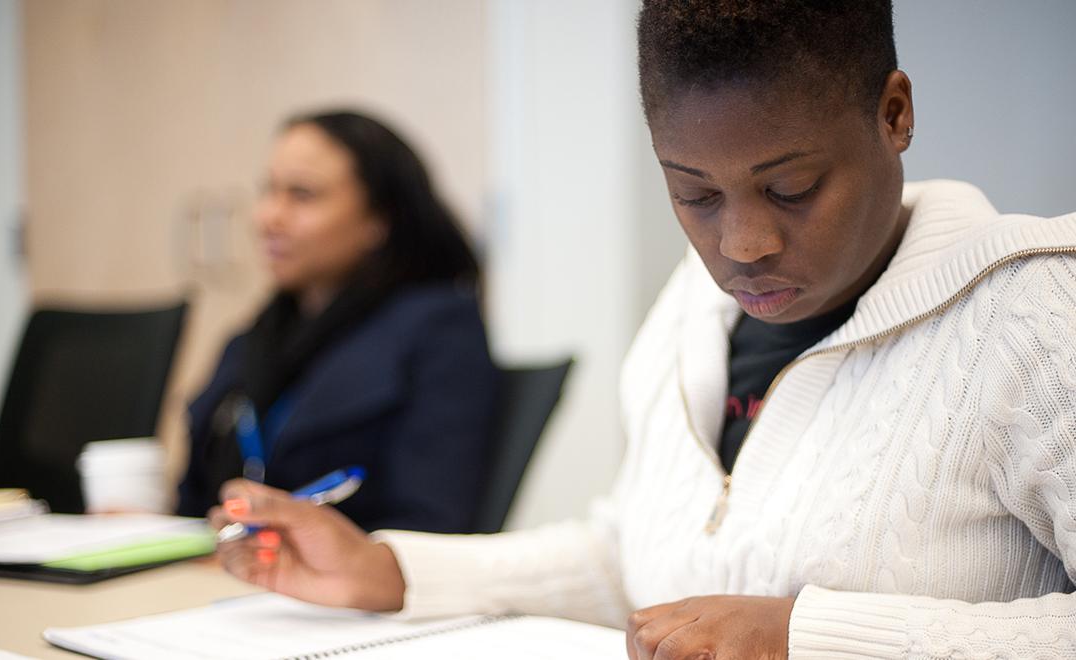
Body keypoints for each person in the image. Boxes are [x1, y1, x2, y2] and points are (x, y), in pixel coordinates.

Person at [209, 2, 1076, 657]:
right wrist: (392, 572)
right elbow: (633, 555)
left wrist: (809, 638)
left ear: (893, 114)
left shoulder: (1031, 314)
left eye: (791, 188)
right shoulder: (689, 313)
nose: (741, 245)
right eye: (694, 195)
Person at [177, 110, 500, 534]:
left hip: (345, 594)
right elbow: (192, 501)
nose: (268, 217)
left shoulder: (437, 328)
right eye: (268, 191)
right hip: (222, 577)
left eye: (302, 195)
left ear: (379, 219)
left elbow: (433, 523)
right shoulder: (259, 335)